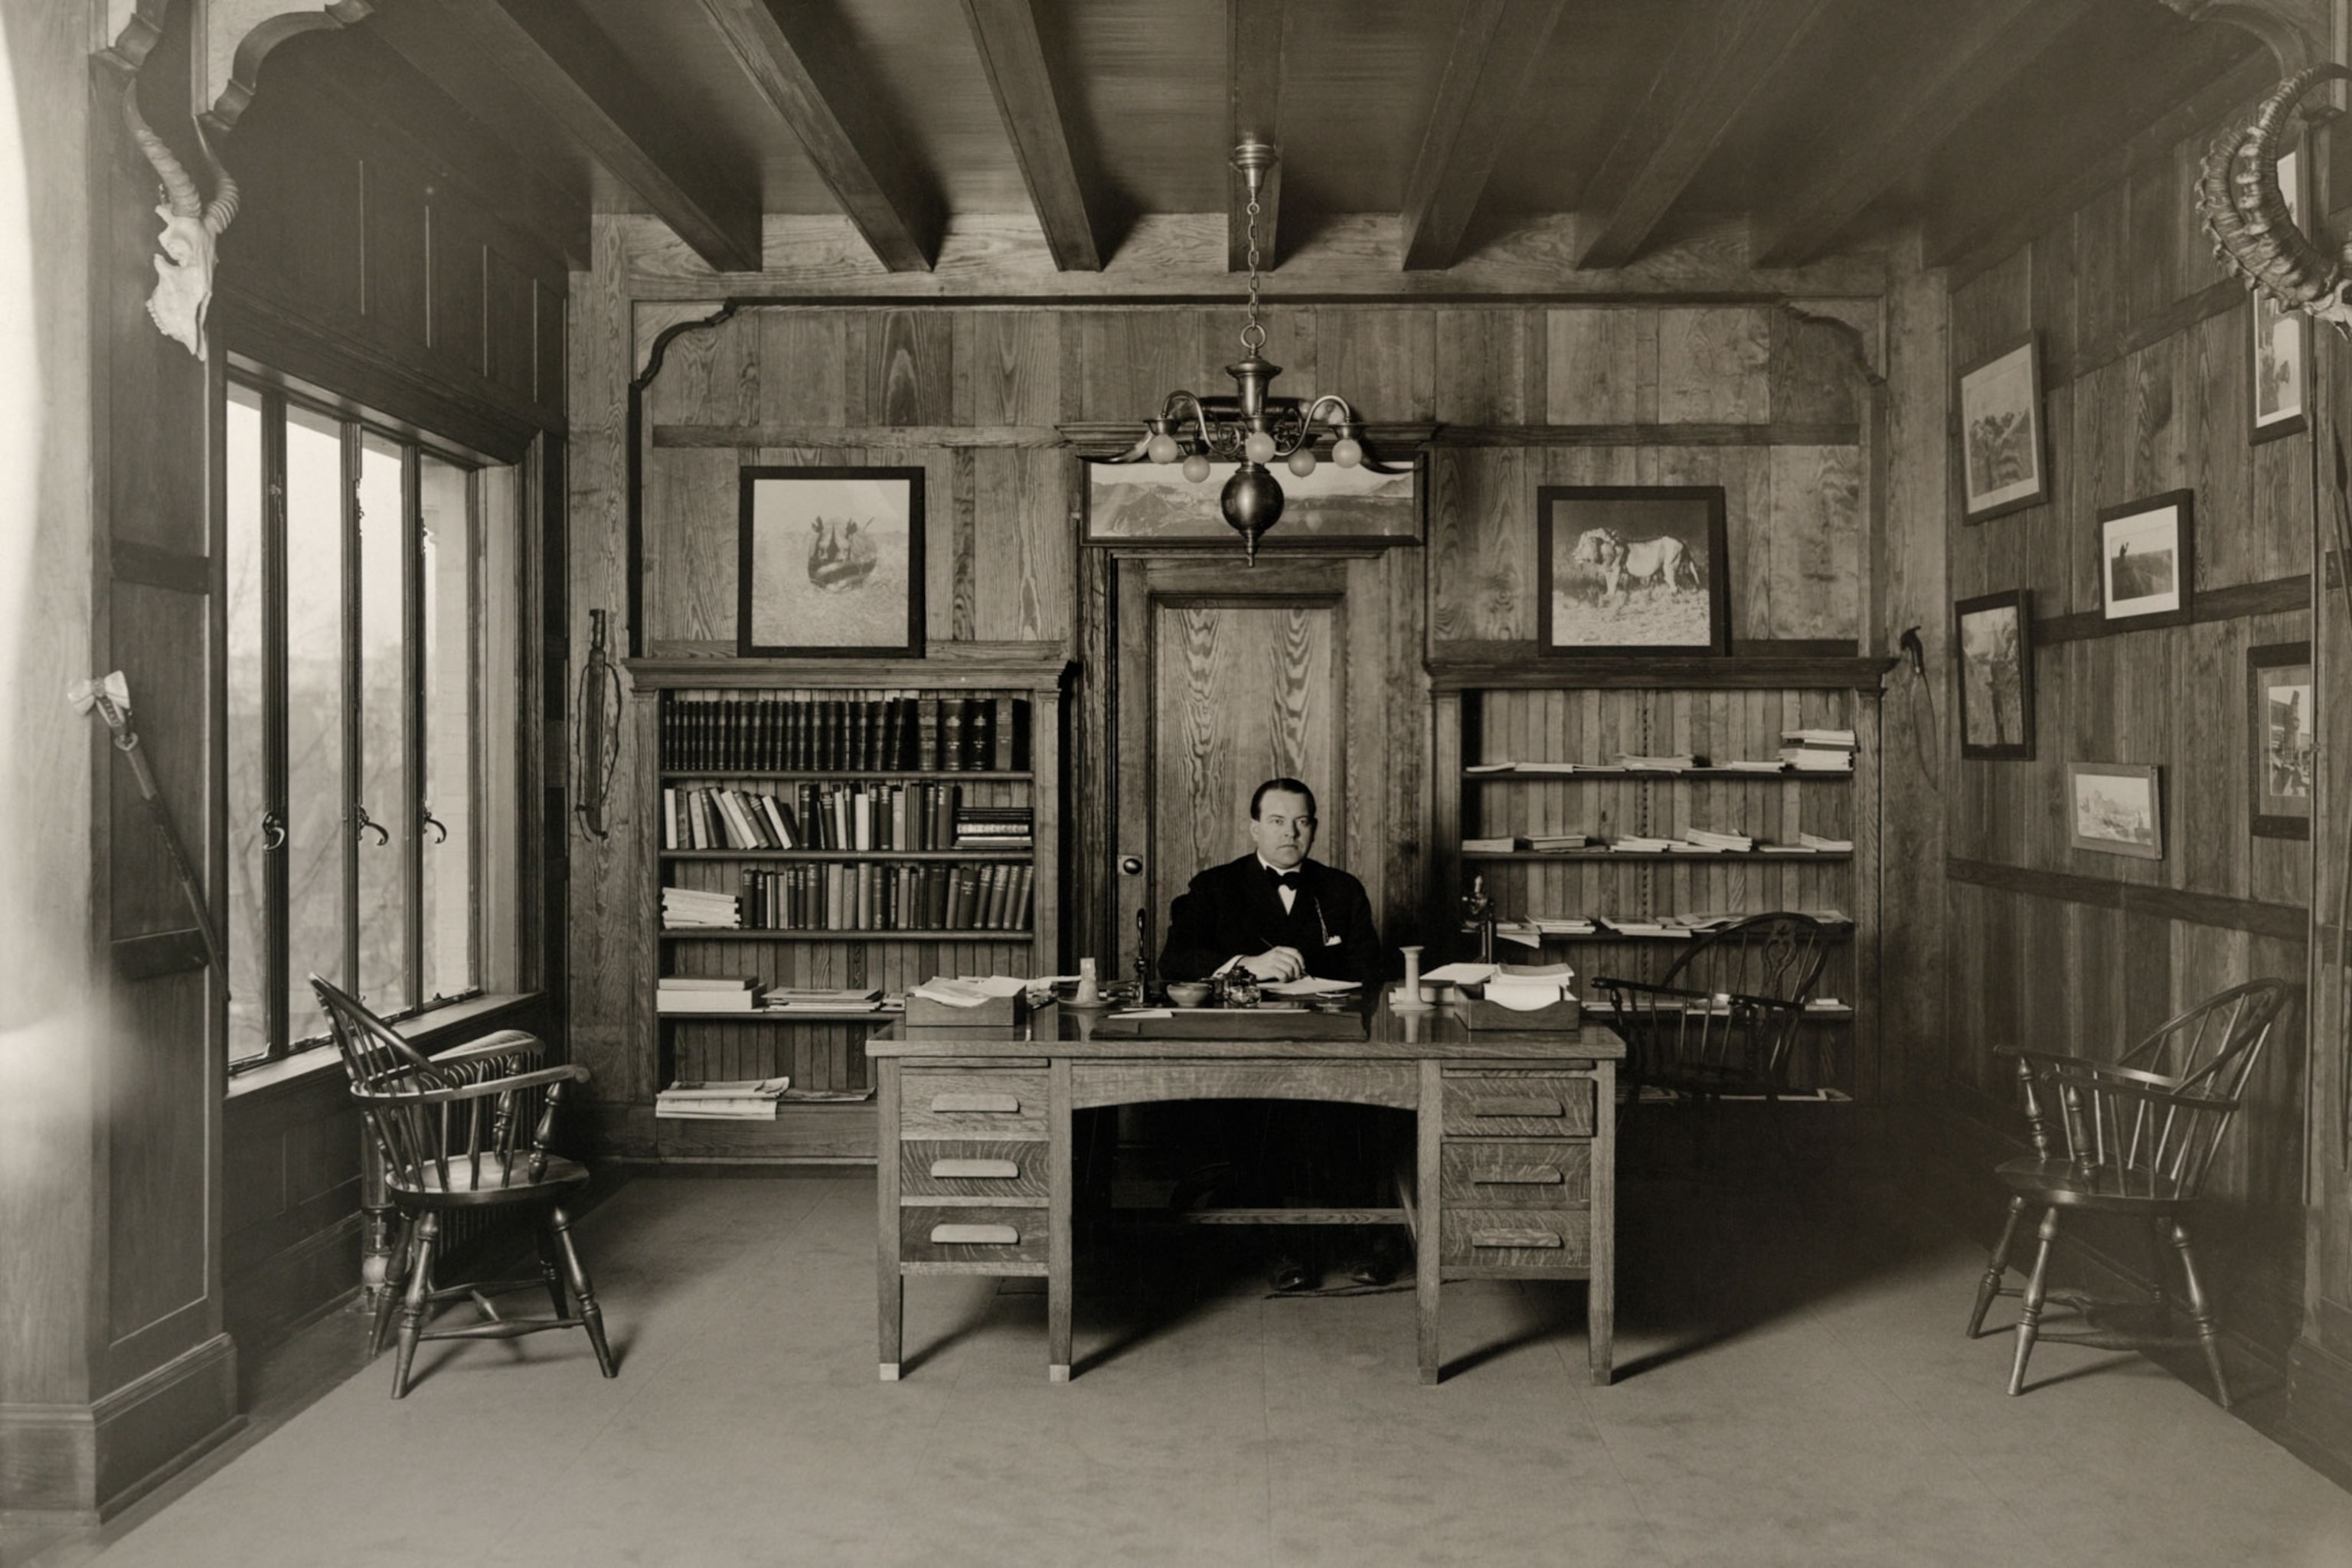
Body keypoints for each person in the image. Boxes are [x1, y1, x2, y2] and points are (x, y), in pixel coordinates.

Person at [1158, 778, 1398, 1291]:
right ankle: (1280, 1247)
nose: (1291, 833)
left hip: (1330, 1043)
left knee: (1352, 1115)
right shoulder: (1215, 887)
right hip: (1246, 1046)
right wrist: (1246, 964)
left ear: (1314, 828)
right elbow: (1174, 961)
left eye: (1302, 822)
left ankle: (1357, 1238)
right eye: (1277, 821)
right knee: (1261, 1119)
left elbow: (1370, 971)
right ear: (1254, 829)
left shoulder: (1342, 889)